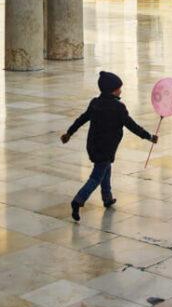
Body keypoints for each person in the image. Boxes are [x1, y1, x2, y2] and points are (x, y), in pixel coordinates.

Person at [61, 70, 158, 221]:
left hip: (93, 145)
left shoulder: (95, 103)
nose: (121, 90)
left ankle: (107, 198)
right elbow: (132, 126)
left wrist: (69, 133)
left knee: (106, 169)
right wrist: (149, 137)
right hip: (106, 148)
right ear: (113, 90)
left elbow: (82, 119)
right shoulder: (118, 108)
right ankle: (78, 200)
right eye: (119, 88)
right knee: (96, 177)